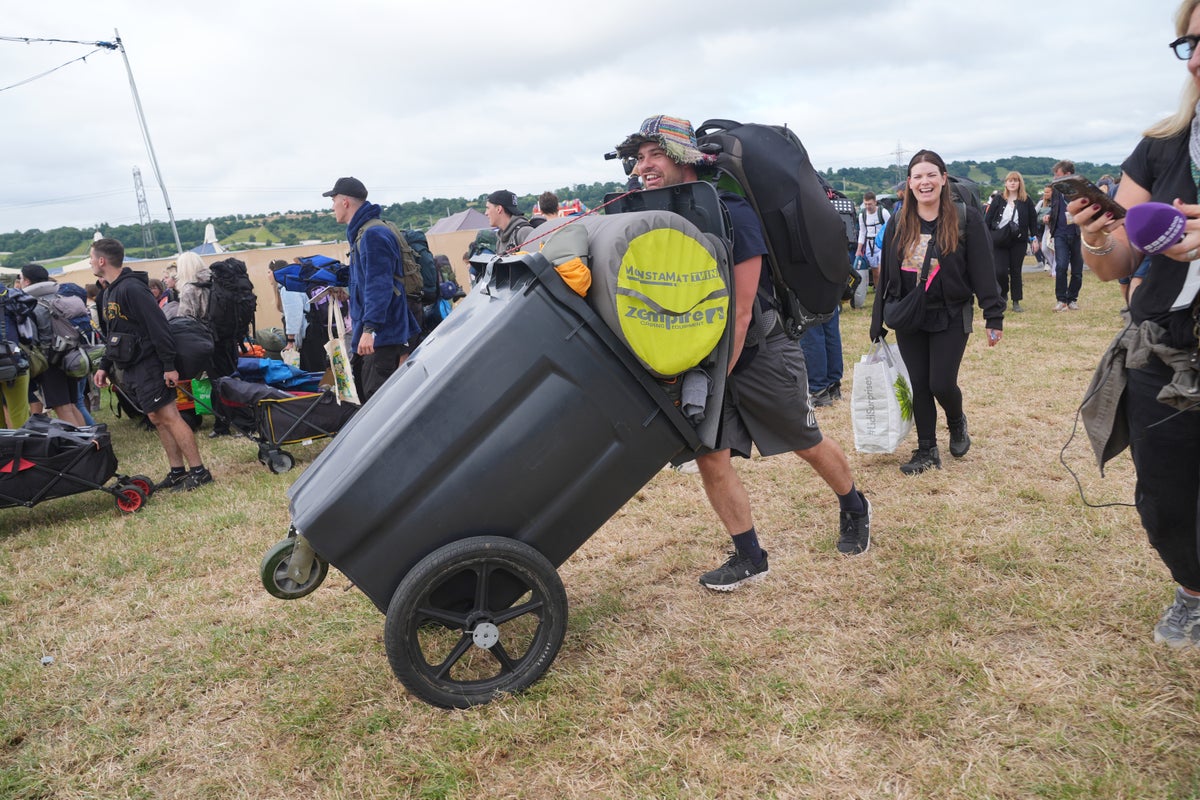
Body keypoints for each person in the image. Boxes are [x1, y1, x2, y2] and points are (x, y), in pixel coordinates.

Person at [614, 114, 873, 586]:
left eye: (654, 155)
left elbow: (744, 306)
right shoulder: (663, 213)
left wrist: (719, 372)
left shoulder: (731, 209)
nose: (642, 167)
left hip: (757, 349)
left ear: (680, 157)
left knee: (804, 441)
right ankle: (750, 555)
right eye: (639, 158)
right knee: (711, 457)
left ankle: (854, 505)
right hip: (706, 357)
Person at [1072, 0, 1200, 647]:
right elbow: (1117, 257)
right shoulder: (1160, 146)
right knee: (1165, 494)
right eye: (1192, 42)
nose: (1199, 56)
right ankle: (1193, 590)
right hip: (1163, 345)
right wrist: (1097, 238)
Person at [869, 150, 1005, 475]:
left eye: (931, 175)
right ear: (910, 183)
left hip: (951, 313)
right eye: (917, 176)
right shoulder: (899, 222)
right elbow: (887, 275)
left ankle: (956, 421)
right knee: (920, 384)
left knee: (942, 383)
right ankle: (927, 450)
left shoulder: (965, 217)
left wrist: (993, 315)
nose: (924, 182)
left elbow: (984, 269)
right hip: (910, 314)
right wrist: (878, 320)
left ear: (944, 179)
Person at [89, 238, 213, 491]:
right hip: (133, 365)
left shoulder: (133, 289)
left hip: (151, 362)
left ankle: (199, 471)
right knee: (157, 418)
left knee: (170, 416)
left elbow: (159, 326)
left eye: (91, 257)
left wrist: (169, 364)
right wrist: (104, 365)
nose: (90, 261)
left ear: (102, 260)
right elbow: (114, 334)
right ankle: (177, 471)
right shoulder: (109, 292)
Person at [323, 176, 421, 401]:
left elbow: (380, 286)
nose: (332, 206)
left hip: (381, 335)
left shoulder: (373, 235)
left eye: (334, 200)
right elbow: (366, 282)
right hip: (373, 332)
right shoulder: (362, 233)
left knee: (377, 399)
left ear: (345, 202)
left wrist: (370, 330)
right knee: (367, 393)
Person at [16, 264, 86, 427]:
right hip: (70, 355)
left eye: (20, 278)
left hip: (50, 362)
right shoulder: (58, 297)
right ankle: (90, 442)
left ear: (26, 281)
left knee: (62, 408)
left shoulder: (31, 304)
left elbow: (31, 339)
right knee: (72, 405)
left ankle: (80, 447)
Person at [984, 171, 1040, 312]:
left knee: (1016, 271)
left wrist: (1034, 238)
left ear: (1020, 183)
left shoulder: (1026, 200)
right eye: (1010, 180)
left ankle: (1016, 301)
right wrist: (986, 236)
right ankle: (1003, 295)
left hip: (1018, 240)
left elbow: (1033, 221)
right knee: (1000, 271)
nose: (1013, 183)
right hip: (999, 239)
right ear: (1006, 183)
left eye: (1015, 180)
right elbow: (987, 220)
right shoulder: (998, 199)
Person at [1048, 159, 1085, 311]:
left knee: (1077, 269)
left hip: (1077, 232)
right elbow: (1055, 208)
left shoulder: (1081, 189)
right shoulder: (1056, 189)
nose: (1055, 179)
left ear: (1068, 174)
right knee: (1061, 266)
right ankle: (1061, 300)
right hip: (1060, 233)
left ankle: (1072, 299)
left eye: (1058, 175)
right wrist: (1050, 218)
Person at [0, 283, 33, 428]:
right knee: (19, 414)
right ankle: (25, 449)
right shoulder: (12, 296)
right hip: (13, 361)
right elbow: (27, 336)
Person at [856, 191, 891, 292]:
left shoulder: (883, 212)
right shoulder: (862, 215)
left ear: (875, 202)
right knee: (875, 272)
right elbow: (862, 232)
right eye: (866, 204)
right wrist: (859, 250)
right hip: (869, 245)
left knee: (882, 270)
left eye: (870, 204)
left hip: (882, 244)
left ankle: (885, 291)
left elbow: (890, 228)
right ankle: (878, 292)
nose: (868, 206)